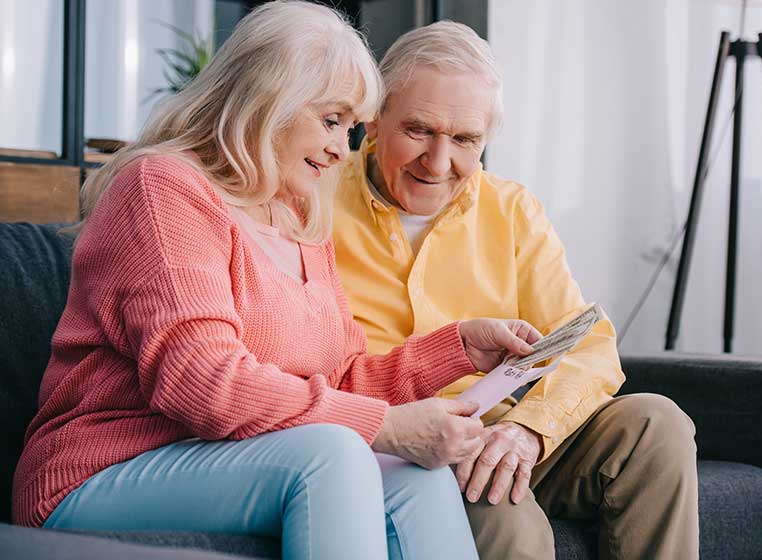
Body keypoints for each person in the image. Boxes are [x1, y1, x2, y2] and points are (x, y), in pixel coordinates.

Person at [11, 4, 543, 560]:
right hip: (102, 470)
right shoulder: (163, 189)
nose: (344, 147)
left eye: (352, 125)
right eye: (331, 120)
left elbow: (339, 381)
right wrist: (386, 426)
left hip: (234, 457)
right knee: (334, 454)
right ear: (271, 101)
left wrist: (455, 349)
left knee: (418, 474)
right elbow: (206, 384)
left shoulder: (299, 218)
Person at [333, 20, 700, 560]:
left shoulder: (511, 209)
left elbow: (587, 345)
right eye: (417, 130)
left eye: (464, 140)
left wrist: (529, 430)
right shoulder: (313, 200)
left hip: (504, 429)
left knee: (657, 424)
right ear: (374, 119)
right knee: (502, 507)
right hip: (401, 441)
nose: (438, 162)